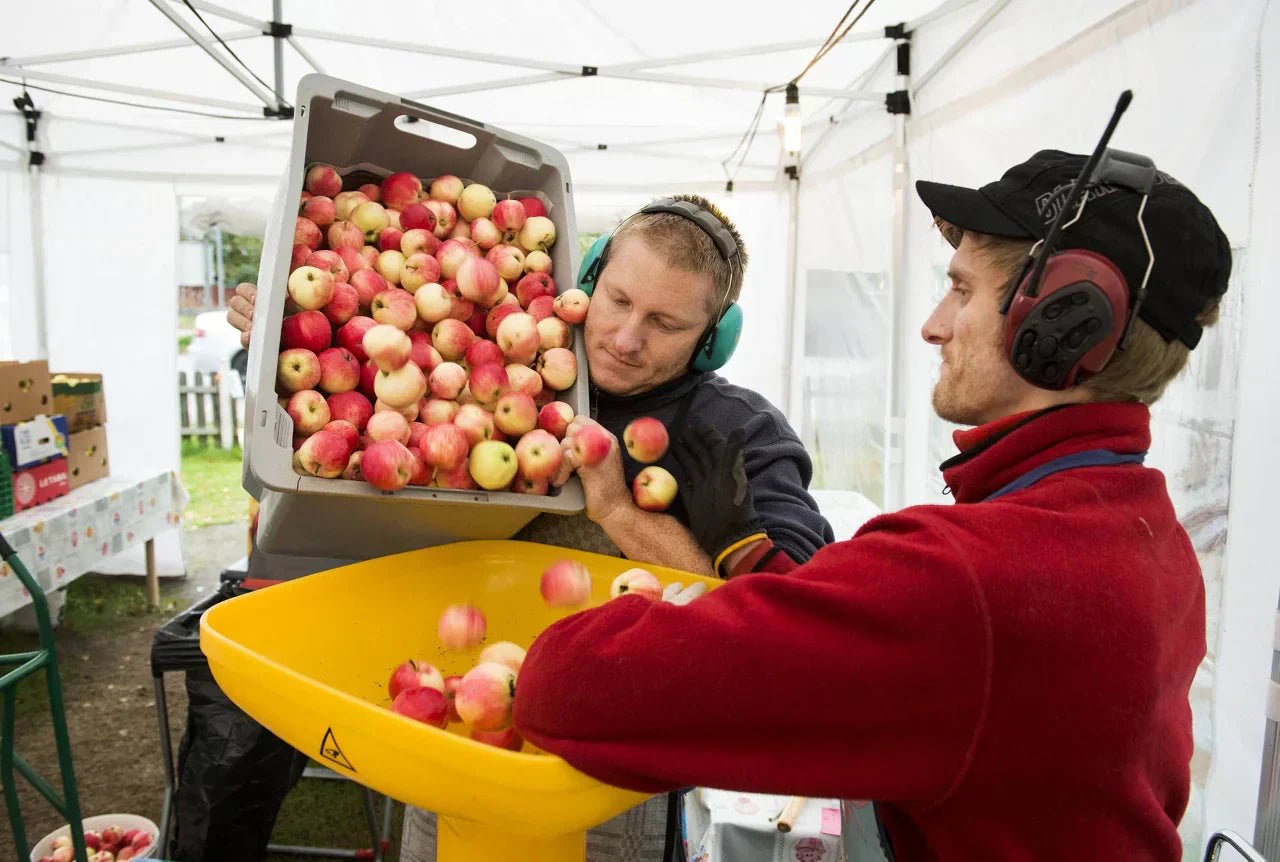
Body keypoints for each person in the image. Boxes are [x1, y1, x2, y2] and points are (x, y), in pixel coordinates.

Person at [511, 149, 1231, 860]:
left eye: (962, 290)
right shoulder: (1153, 539)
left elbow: (568, 689)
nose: (932, 324)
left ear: (1057, 326)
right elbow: (848, 641)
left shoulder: (968, 577)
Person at [227, 193, 835, 861]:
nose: (627, 340)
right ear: (589, 280)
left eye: (665, 323)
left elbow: (801, 619)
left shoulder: (735, 434)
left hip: (599, 771)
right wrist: (284, 333)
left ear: (713, 338)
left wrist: (619, 512)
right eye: (619, 302)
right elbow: (359, 424)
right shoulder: (501, 349)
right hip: (451, 721)